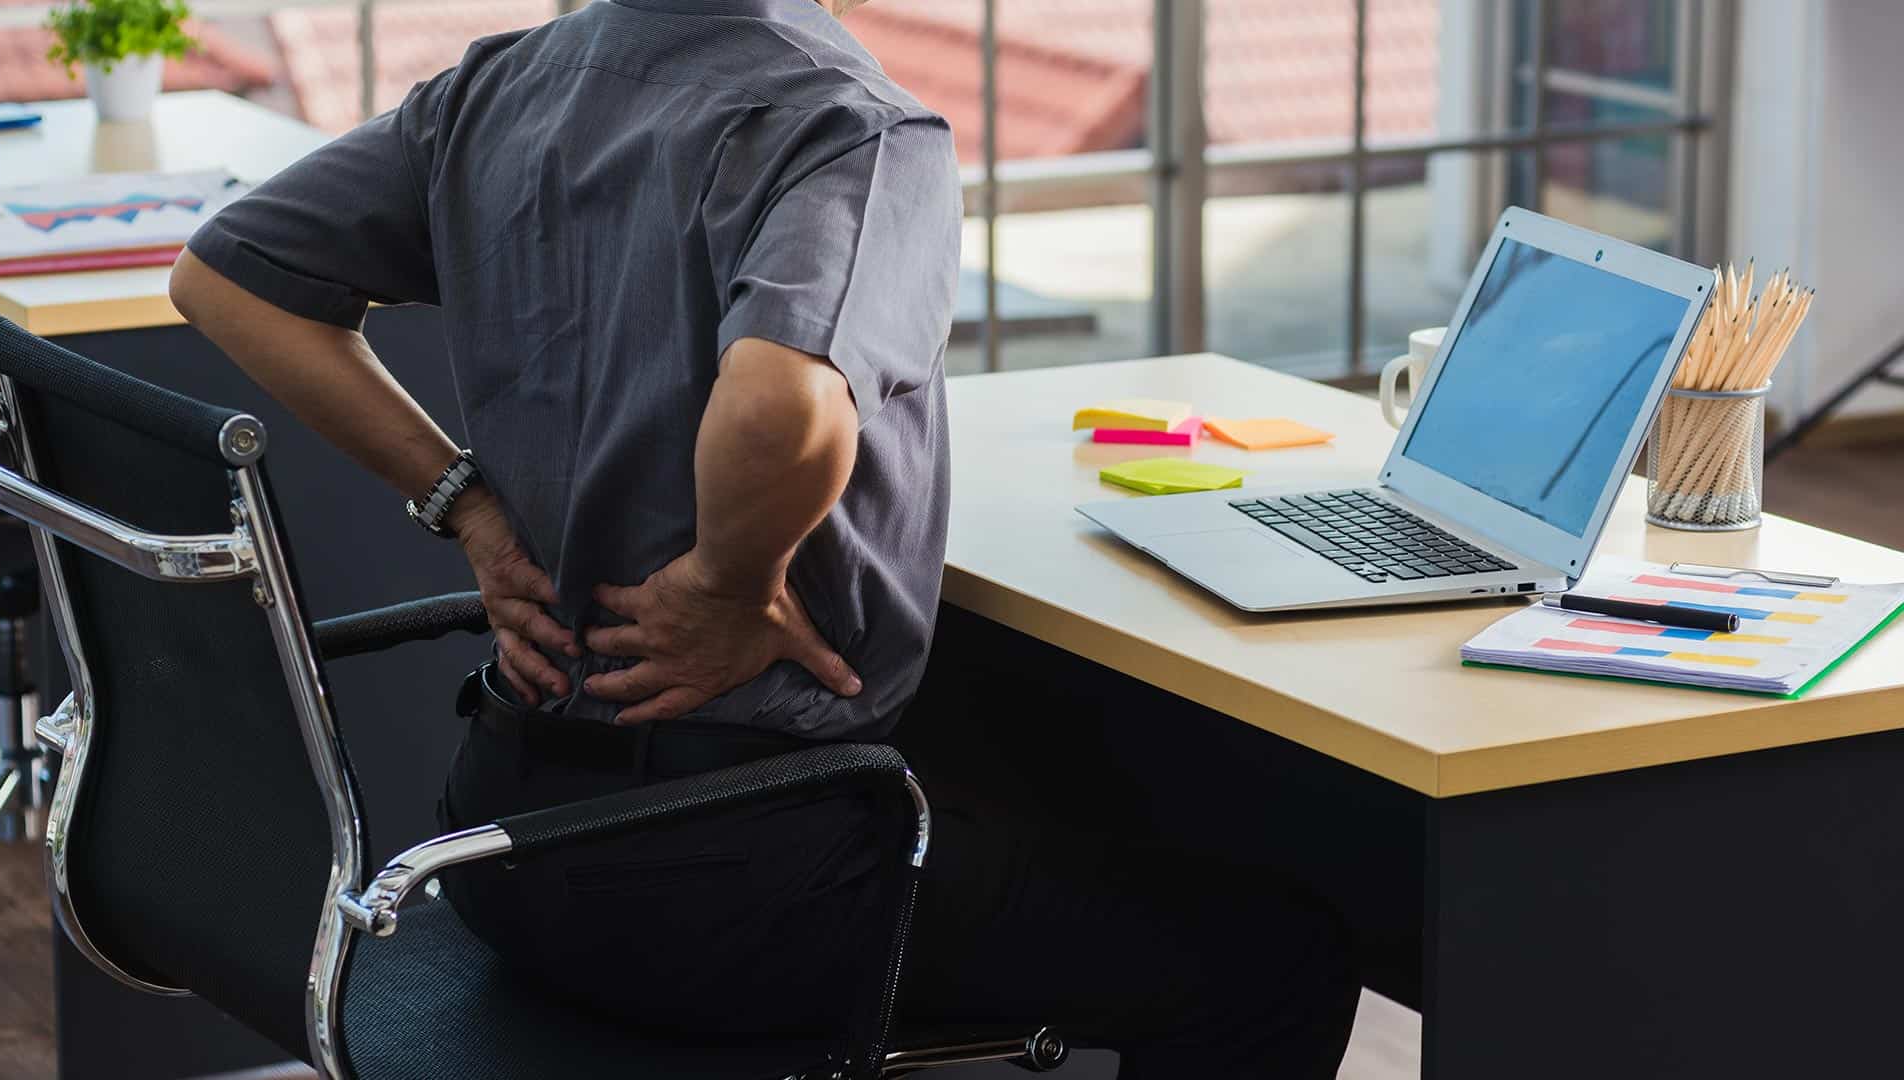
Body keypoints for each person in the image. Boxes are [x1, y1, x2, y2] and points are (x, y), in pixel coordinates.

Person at [169, 0, 1359, 1074]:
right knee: (1274, 959)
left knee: (1039, 810)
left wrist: (465, 506)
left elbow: (224, 276)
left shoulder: (502, 85)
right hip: (735, 885)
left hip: (505, 843)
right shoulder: (851, 129)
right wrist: (727, 587)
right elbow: (783, 403)